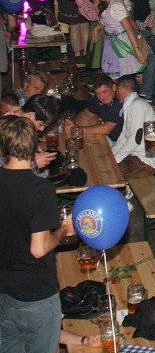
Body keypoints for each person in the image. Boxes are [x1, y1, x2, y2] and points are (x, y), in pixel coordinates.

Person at [0, 116, 74, 353]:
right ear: (33, 146)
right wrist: (62, 230)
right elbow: (39, 248)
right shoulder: (40, 189)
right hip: (35, 292)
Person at [111, 74, 155, 177]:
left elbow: (135, 139)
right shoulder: (134, 105)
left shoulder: (138, 105)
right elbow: (124, 136)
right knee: (106, 165)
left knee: (108, 171)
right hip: (138, 157)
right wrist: (111, 154)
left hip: (146, 162)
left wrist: (115, 159)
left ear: (120, 88)